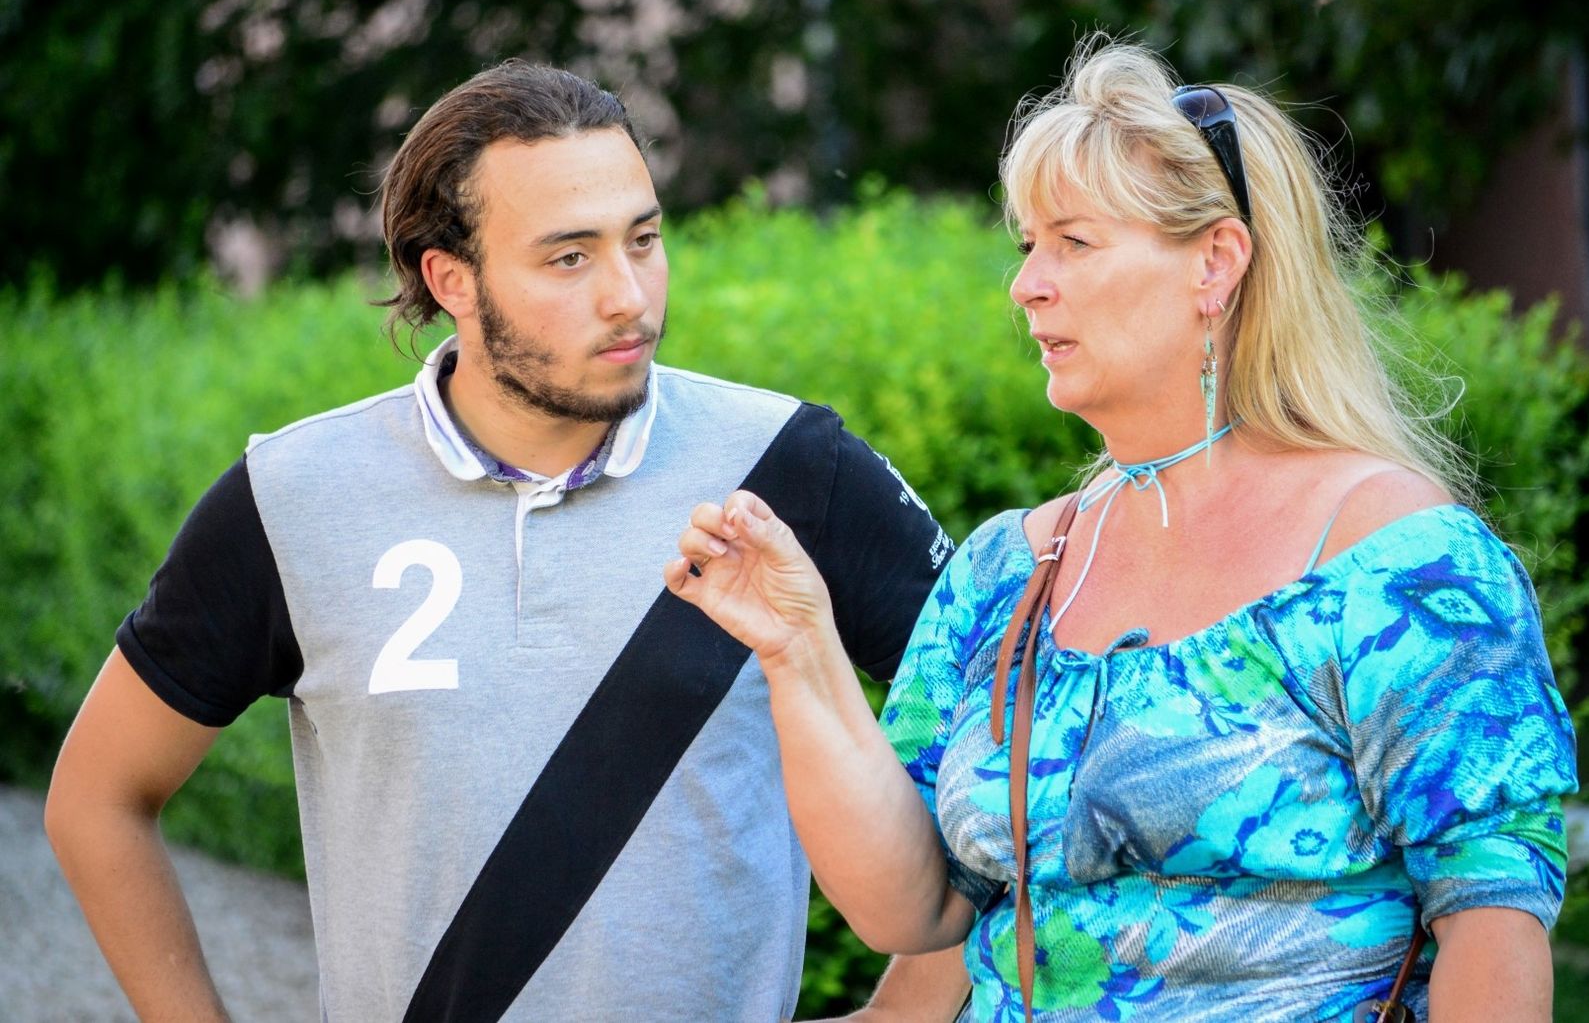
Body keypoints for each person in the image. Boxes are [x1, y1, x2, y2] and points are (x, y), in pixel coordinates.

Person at [666, 39, 1579, 1022]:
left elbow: (1491, 927)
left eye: (1075, 242)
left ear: (1215, 263)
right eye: (1029, 244)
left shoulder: (1398, 566)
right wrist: (798, 645)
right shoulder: (1005, 573)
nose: (1026, 283)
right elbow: (914, 914)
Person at [44, 60, 974, 1022]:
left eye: (644, 240)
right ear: (451, 279)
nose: (629, 296)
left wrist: (904, 1011)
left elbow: (1016, 737)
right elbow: (97, 798)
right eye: (569, 258)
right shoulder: (293, 496)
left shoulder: (789, 468)